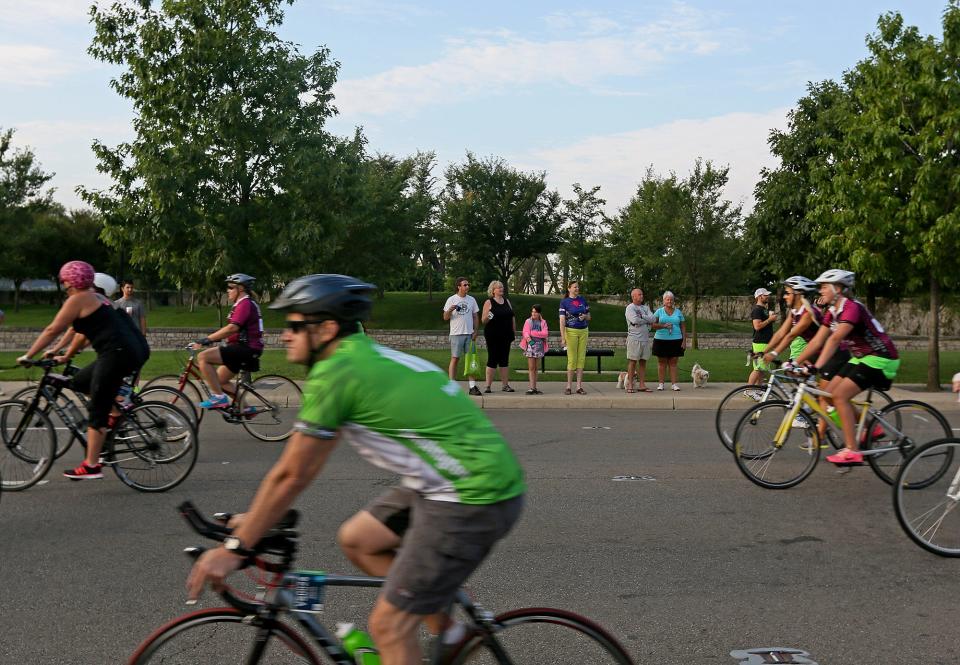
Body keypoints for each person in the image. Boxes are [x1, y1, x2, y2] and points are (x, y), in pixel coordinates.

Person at [185, 274, 526, 665]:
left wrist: (236, 548)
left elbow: (291, 474)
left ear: (327, 328)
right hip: (451, 479)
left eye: (296, 326)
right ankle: (447, 627)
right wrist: (256, 521)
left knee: (387, 626)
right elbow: (297, 470)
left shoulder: (338, 372)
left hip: (473, 494)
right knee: (358, 538)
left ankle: (431, 626)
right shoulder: (358, 356)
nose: (285, 336)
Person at [17, 260, 150, 479]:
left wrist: (28, 355)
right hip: (129, 351)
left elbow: (53, 329)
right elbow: (83, 332)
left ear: (71, 281)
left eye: (65, 281)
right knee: (79, 381)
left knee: (97, 407)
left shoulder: (79, 298)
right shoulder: (98, 298)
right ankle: (115, 414)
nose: (64, 285)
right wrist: (65, 355)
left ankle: (91, 465)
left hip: (117, 354)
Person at [794, 269, 900, 465]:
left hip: (881, 358)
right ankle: (871, 427)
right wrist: (796, 362)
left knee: (840, 396)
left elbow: (835, 339)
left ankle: (852, 450)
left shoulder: (851, 307)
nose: (821, 291)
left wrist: (816, 367)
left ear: (838, 289)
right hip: (862, 357)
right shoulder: (832, 311)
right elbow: (818, 341)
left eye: (824, 287)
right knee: (829, 395)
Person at [189, 273, 264, 409]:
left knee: (203, 357)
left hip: (245, 348)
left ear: (240, 289)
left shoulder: (245, 303)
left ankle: (219, 398)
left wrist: (207, 339)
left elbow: (232, 328)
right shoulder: (243, 304)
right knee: (220, 381)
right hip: (243, 348)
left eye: (230, 287)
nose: (227, 290)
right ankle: (246, 409)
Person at [761, 276, 820, 364]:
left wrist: (773, 353)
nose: (785, 296)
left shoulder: (807, 313)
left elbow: (791, 336)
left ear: (798, 294)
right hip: (815, 351)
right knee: (792, 373)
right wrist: (763, 352)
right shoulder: (794, 312)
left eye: (788, 293)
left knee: (795, 371)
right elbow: (781, 333)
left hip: (828, 352)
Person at [442, 277, 481, 396]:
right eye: (465, 285)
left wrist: (475, 331)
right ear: (458, 286)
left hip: (469, 334)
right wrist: (449, 310)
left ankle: (472, 386)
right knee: (455, 358)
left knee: (470, 360)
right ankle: (452, 385)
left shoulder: (471, 300)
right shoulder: (451, 299)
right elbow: (445, 317)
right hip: (456, 334)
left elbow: (475, 316)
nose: (467, 287)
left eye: (468, 285)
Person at [480, 280, 517, 393]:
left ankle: (505, 385)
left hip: (506, 335)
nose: (501, 289)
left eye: (502, 287)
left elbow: (512, 317)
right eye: (498, 287)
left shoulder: (507, 301)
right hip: (493, 335)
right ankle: (488, 386)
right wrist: (490, 316)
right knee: (492, 359)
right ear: (493, 290)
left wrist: (513, 332)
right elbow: (483, 320)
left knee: (504, 360)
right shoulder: (489, 302)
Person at [559, 281, 590, 395]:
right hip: (570, 331)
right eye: (575, 287)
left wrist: (585, 316)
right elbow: (562, 320)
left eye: (578, 287)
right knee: (572, 359)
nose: (577, 288)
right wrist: (563, 338)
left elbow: (589, 316)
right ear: (569, 288)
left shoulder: (582, 300)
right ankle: (568, 386)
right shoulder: (564, 302)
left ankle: (579, 387)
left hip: (583, 331)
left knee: (581, 359)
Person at [651, 291, 686, 391]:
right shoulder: (659, 312)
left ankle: (674, 384)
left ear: (673, 301)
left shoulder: (678, 312)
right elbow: (653, 325)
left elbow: (683, 327)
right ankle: (661, 384)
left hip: (676, 340)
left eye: (671, 299)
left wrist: (684, 341)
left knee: (673, 362)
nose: (669, 301)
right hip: (660, 340)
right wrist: (663, 326)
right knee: (661, 362)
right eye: (667, 299)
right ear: (664, 301)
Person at [624, 288, 656, 393]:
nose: (641, 296)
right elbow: (634, 320)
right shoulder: (630, 308)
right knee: (632, 361)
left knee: (643, 362)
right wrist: (646, 320)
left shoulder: (645, 308)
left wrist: (642, 316)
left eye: (642, 294)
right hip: (634, 339)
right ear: (633, 296)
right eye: (639, 294)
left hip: (645, 339)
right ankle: (630, 385)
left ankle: (642, 384)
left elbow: (653, 319)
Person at [748, 287, 778, 384]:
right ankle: (748, 390)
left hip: (766, 342)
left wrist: (770, 318)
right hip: (760, 342)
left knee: (763, 369)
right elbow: (757, 326)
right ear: (760, 297)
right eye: (765, 295)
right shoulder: (757, 310)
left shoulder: (764, 309)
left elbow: (766, 324)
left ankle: (759, 390)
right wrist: (770, 319)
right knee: (758, 368)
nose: (768, 297)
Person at [520, 304, 548, 395]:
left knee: (536, 368)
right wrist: (531, 340)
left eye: (535, 312)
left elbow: (545, 334)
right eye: (532, 311)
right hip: (530, 346)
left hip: (539, 346)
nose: (533, 313)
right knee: (531, 368)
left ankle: (535, 387)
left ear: (539, 313)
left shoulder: (543, 322)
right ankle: (531, 388)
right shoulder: (528, 321)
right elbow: (526, 333)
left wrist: (533, 333)